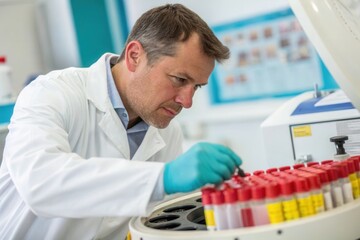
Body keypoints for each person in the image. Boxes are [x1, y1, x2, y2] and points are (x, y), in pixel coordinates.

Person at [0, 3, 242, 240]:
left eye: (196, 87)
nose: (187, 101)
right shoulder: (51, 93)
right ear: (135, 55)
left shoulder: (167, 132)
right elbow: (42, 183)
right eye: (179, 79)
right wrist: (162, 178)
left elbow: (158, 221)